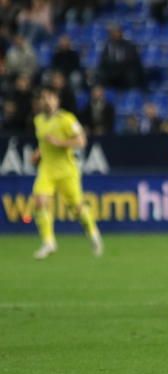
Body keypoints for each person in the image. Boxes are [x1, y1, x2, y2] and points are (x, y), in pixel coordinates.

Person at [30, 85, 103, 260]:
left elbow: (81, 141)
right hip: (46, 169)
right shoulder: (38, 120)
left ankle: (92, 231)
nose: (47, 101)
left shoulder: (67, 119)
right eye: (44, 98)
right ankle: (48, 242)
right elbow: (43, 142)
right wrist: (38, 153)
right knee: (39, 201)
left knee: (77, 208)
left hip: (66, 170)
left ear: (57, 101)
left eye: (50, 98)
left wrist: (59, 143)